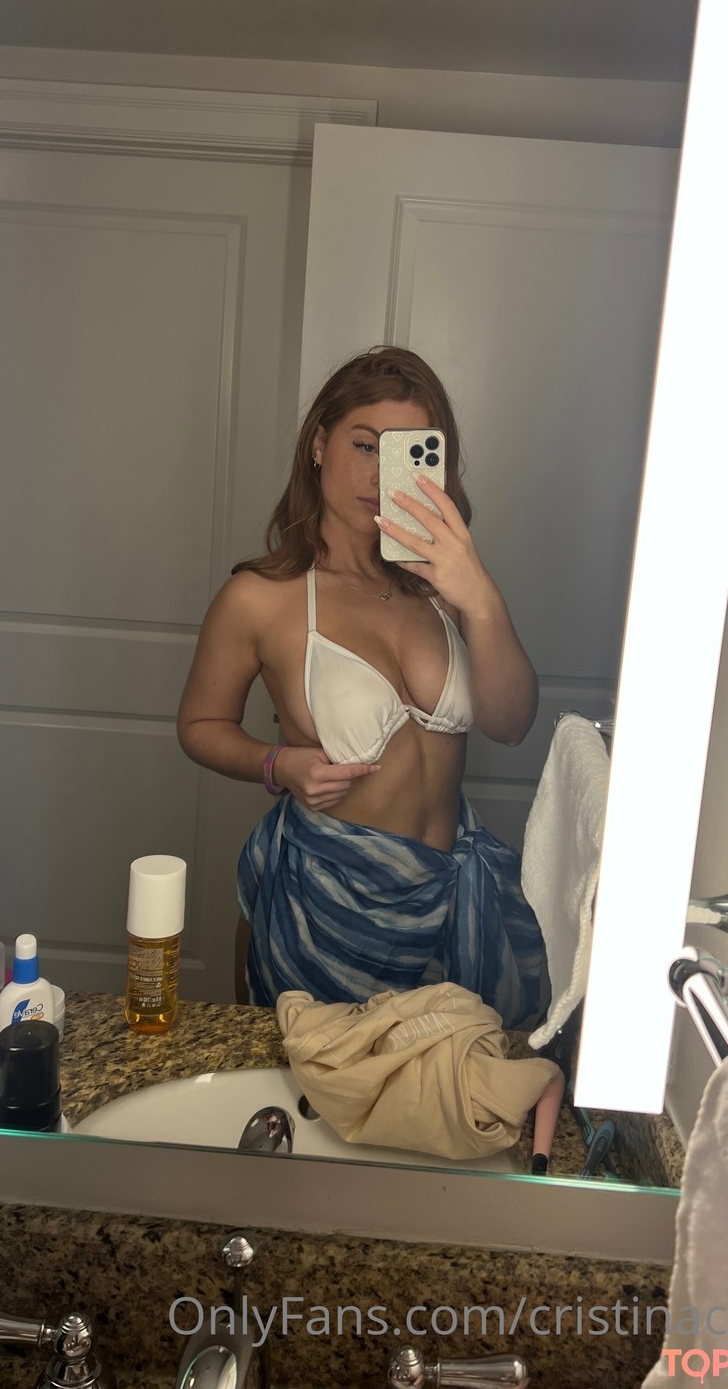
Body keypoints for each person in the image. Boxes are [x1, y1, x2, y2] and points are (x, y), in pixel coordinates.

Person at [177, 347, 547, 1029]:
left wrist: (480, 596)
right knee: (323, 1087)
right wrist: (278, 764)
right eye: (364, 445)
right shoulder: (260, 598)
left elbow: (512, 722)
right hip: (329, 909)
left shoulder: (440, 585)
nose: (380, 475)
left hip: (457, 910)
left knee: (447, 1092)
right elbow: (200, 726)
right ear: (319, 446)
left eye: (403, 453)